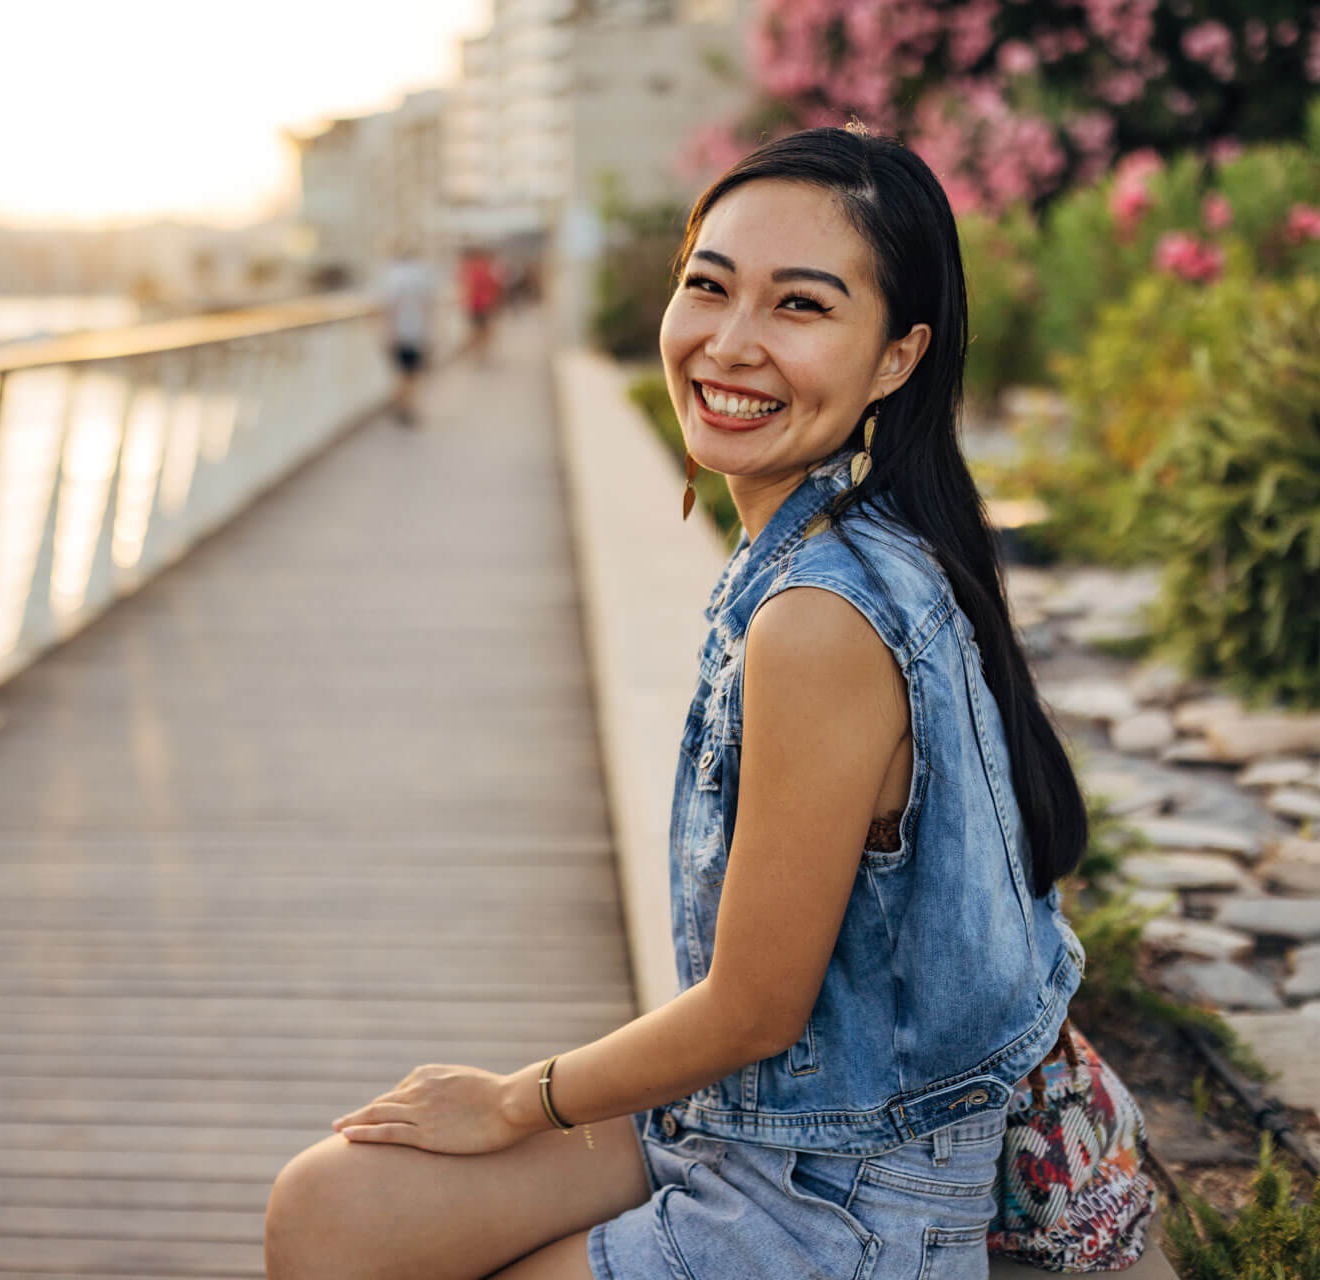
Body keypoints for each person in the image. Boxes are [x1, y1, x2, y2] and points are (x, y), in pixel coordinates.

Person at [262, 124, 1090, 1280]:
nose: (731, 345)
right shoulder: (863, 548)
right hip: (768, 1121)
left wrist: (515, 1099)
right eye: (710, 286)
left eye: (800, 307)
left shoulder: (820, 620)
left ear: (896, 358)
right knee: (331, 1209)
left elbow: (753, 1008)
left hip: (841, 1199)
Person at [378, 244, 437, 425]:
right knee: (410, 373)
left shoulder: (393, 276)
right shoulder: (420, 276)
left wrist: (387, 333)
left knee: (404, 372)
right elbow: (427, 306)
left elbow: (388, 307)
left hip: (401, 332)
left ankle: (403, 406)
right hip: (415, 332)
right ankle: (405, 407)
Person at [460, 247, 503, 361]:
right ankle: (481, 352)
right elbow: (495, 287)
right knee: (483, 330)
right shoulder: (488, 268)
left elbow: (468, 288)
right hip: (484, 304)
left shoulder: (472, 269)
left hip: (476, 305)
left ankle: (479, 352)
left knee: (477, 330)